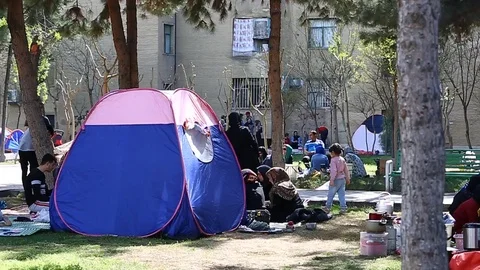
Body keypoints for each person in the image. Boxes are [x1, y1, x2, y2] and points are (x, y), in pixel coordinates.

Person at [18, 117, 54, 196]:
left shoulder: (30, 128)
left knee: (24, 171)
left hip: (21, 149)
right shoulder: (39, 129)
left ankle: (27, 190)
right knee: (33, 170)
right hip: (29, 150)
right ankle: (31, 189)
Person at [325, 143, 350, 214]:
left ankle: (328, 207)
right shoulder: (342, 159)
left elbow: (334, 171)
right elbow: (346, 169)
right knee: (342, 195)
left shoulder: (333, 160)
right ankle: (343, 208)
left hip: (335, 180)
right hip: (342, 179)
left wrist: (332, 180)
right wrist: (348, 178)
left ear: (332, 152)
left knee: (330, 194)